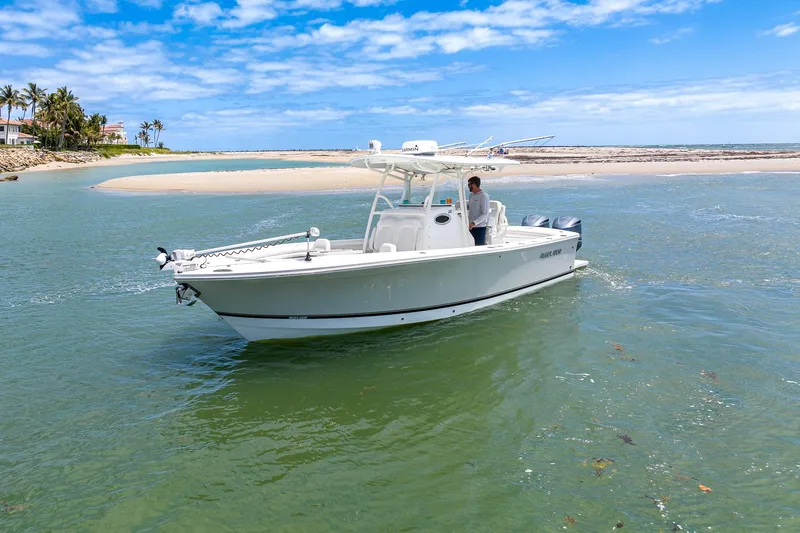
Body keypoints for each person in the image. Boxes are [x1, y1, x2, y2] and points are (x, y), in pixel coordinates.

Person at [466, 176, 490, 245]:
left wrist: (474, 223)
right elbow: (470, 207)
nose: (468, 187)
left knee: (478, 247)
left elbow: (485, 214)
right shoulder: (471, 195)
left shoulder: (484, 196)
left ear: (473, 185)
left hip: (479, 228)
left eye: (469, 185)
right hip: (470, 227)